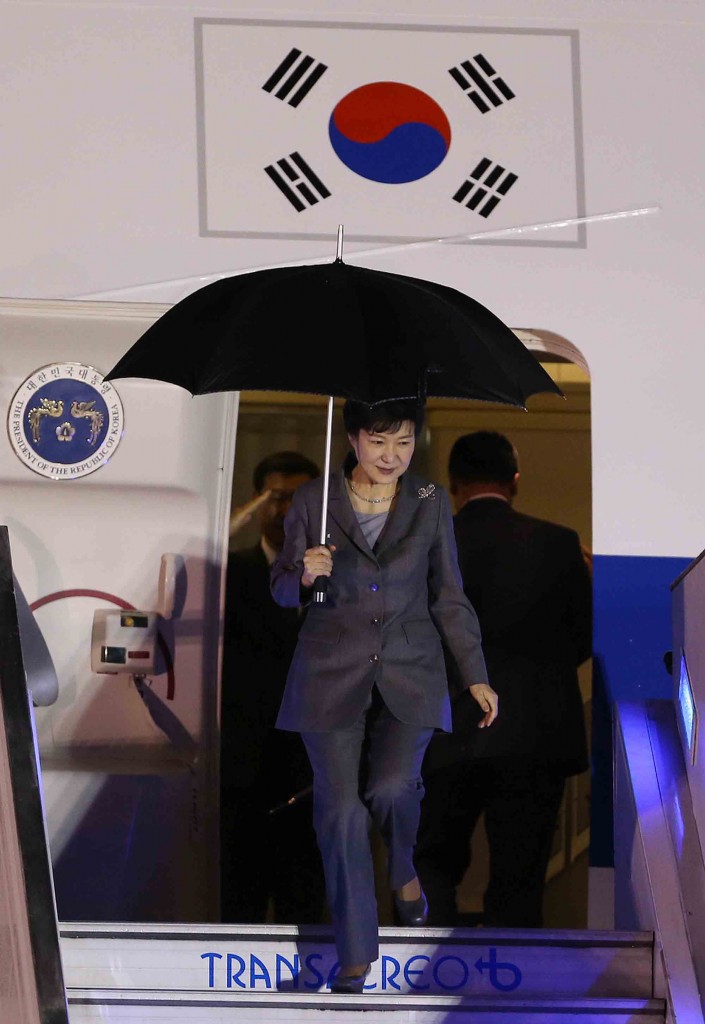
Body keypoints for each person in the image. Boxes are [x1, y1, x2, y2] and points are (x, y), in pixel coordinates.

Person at [270, 399, 498, 992]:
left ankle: (402, 868)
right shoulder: (312, 501)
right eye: (378, 442)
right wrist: (304, 573)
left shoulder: (429, 502)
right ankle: (354, 954)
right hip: (327, 667)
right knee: (340, 809)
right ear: (351, 438)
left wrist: (474, 672)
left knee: (393, 787)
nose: (392, 456)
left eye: (403, 443)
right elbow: (278, 591)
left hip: (411, 666)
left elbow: (448, 593)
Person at [415, 430, 593, 928]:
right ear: (514, 480)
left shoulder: (428, 547)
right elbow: (581, 636)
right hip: (534, 732)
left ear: (454, 485)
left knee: (432, 861)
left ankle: (426, 972)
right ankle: (508, 984)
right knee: (520, 872)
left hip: (443, 729)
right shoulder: (559, 543)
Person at [220, 450, 326, 925]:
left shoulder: (343, 578)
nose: (287, 511)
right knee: (238, 901)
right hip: (245, 769)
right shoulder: (227, 575)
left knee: (306, 904)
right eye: (277, 498)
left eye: (300, 499)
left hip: (317, 770)